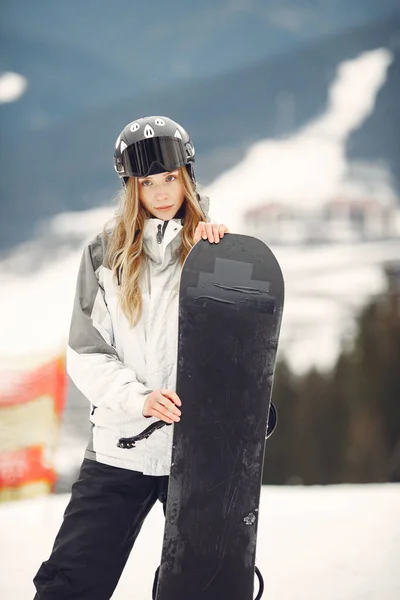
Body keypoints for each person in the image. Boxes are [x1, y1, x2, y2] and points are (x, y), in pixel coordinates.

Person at [33, 115, 229, 600]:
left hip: (196, 457)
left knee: (203, 587)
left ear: (186, 176)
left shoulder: (214, 252)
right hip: (120, 447)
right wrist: (138, 399)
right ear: (131, 188)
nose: (162, 193)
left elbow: (240, 350)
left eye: (170, 179)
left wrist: (244, 409)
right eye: (147, 182)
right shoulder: (105, 255)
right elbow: (85, 351)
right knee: (70, 582)